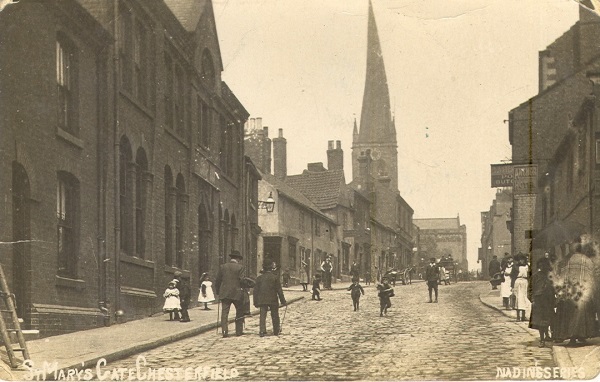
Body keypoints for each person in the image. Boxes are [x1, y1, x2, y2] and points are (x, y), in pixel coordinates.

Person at [554, 235, 598, 345]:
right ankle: (581, 335)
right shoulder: (587, 260)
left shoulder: (566, 260)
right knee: (582, 314)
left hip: (569, 292)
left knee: (569, 315)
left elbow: (561, 276)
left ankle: (573, 338)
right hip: (583, 292)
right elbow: (591, 277)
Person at [215, 250, 245, 338]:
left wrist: (218, 291)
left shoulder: (223, 266)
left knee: (224, 313)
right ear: (238, 259)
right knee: (239, 311)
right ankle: (238, 331)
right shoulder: (240, 267)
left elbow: (218, 280)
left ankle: (224, 331)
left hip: (225, 293)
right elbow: (242, 280)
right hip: (237, 293)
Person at [253, 263, 287, 337]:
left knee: (262, 315)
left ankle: (262, 331)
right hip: (273, 299)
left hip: (262, 299)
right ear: (271, 268)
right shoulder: (275, 277)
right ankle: (276, 330)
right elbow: (279, 290)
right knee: (275, 314)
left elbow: (255, 291)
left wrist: (255, 302)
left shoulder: (259, 278)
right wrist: (283, 301)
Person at [530, 259, 556, 347]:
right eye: (541, 266)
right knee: (541, 320)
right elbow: (530, 289)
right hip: (539, 300)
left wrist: (556, 298)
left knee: (551, 318)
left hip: (549, 300)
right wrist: (532, 299)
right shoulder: (536, 276)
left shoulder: (551, 276)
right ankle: (542, 339)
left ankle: (550, 335)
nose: (544, 268)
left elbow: (556, 287)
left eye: (545, 266)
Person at [511, 253, 530, 322]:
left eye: (522, 260)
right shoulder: (515, 267)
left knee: (524, 298)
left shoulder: (527, 266)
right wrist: (512, 286)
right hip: (518, 282)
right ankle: (518, 316)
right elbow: (512, 277)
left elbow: (530, 275)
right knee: (518, 299)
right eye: (519, 260)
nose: (521, 261)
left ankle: (524, 316)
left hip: (525, 281)